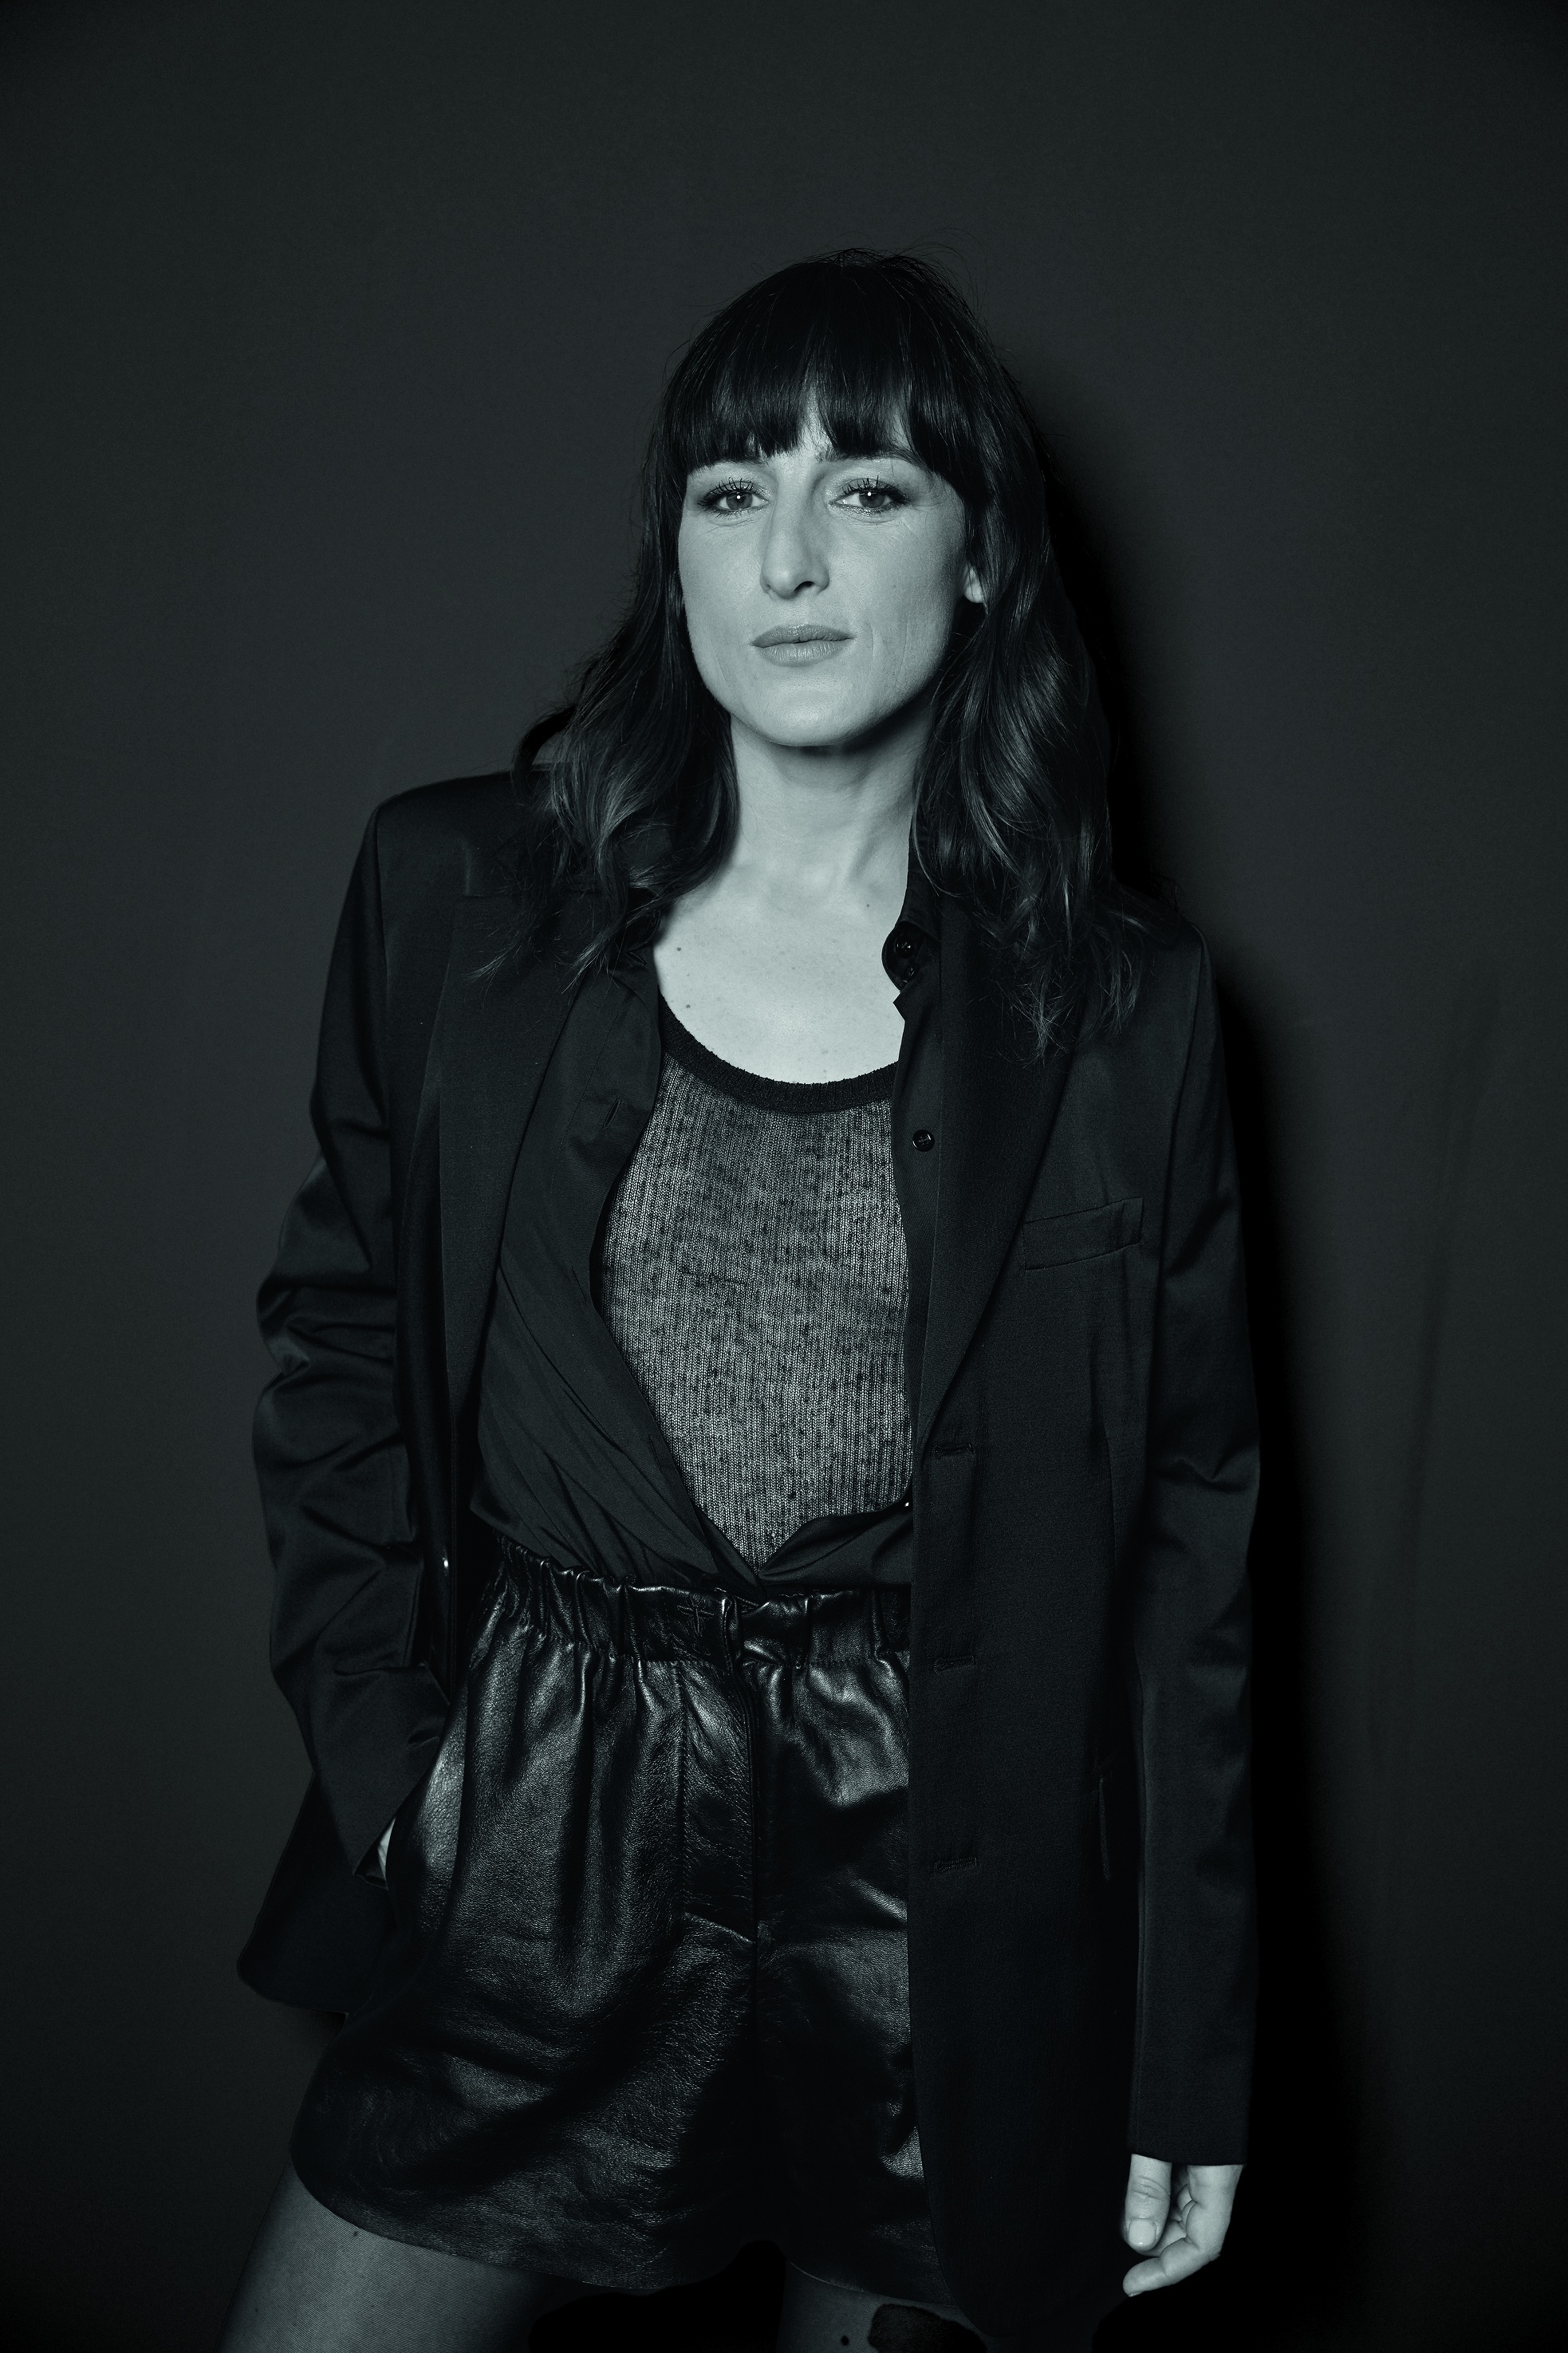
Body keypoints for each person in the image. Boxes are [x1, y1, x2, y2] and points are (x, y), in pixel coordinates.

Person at [220, 250, 1258, 2353]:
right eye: (728, 489)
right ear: (676, 551)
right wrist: (399, 1779)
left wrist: (1187, 2049)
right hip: (543, 1811)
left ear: (984, 558)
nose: (786, 556)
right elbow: (334, 1346)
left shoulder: (1121, 1008)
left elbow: (1187, 1548)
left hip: (934, 1877)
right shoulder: (454, 896)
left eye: (866, 487)